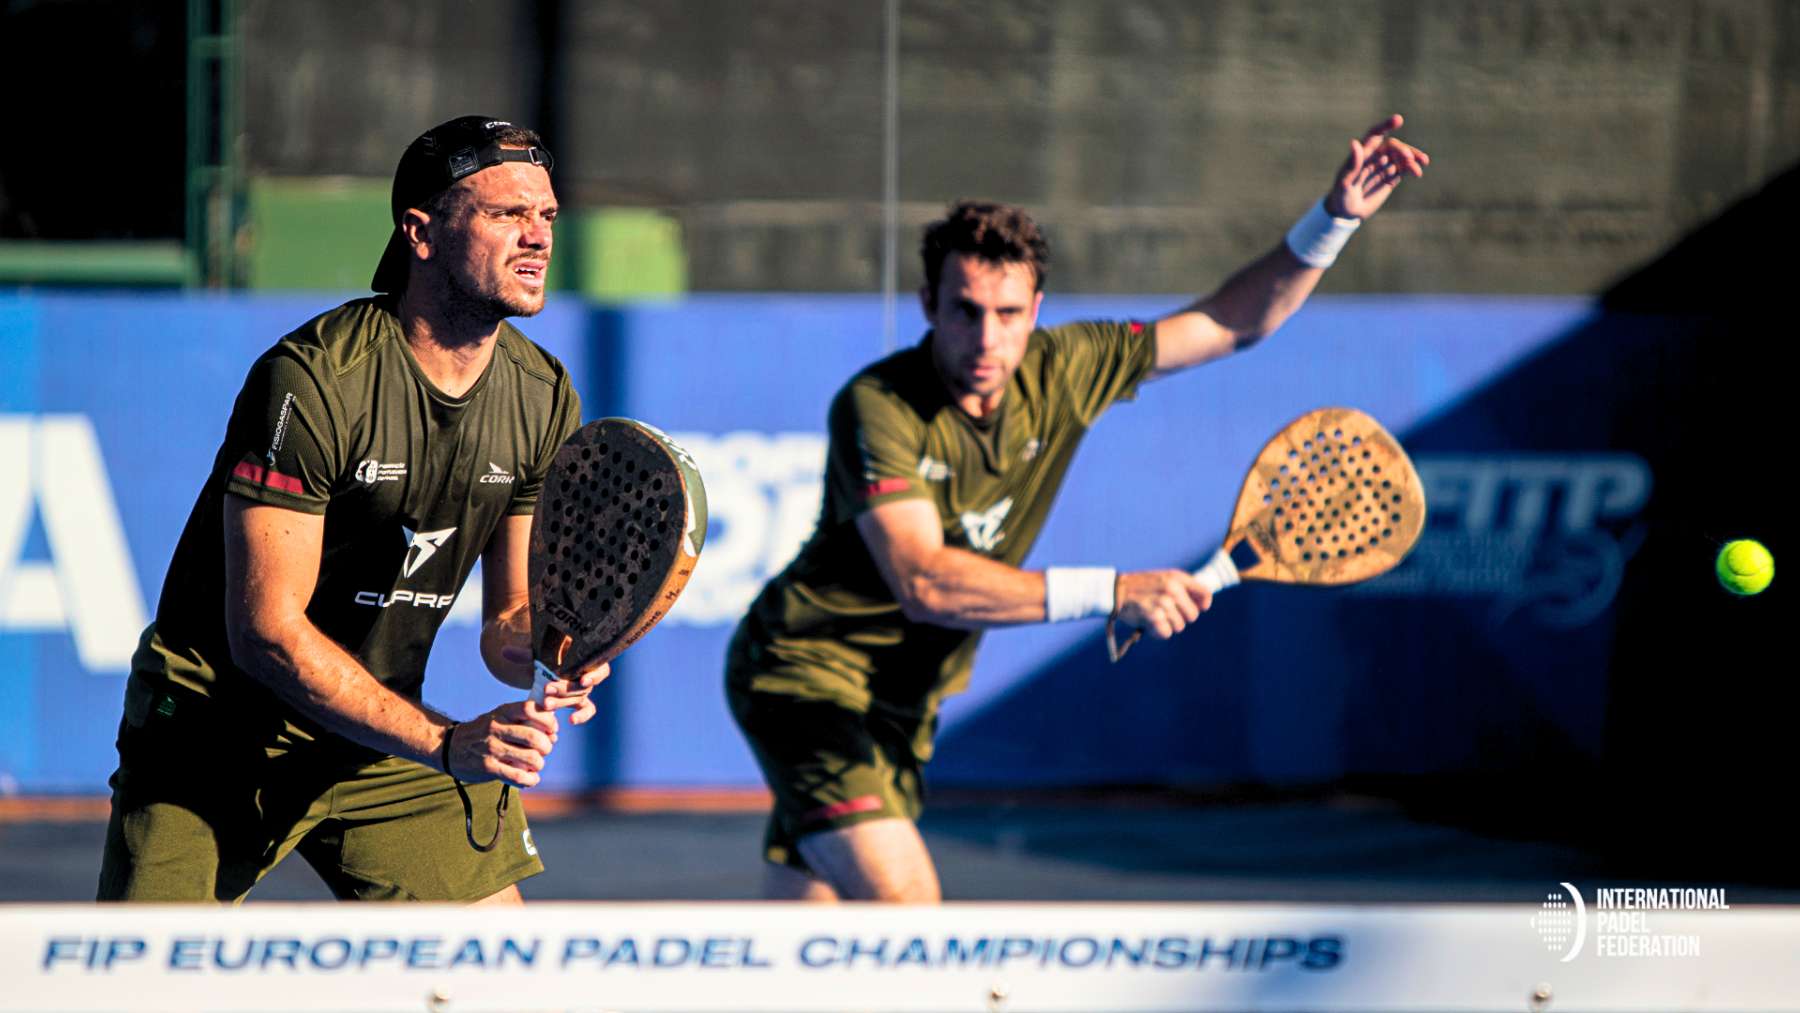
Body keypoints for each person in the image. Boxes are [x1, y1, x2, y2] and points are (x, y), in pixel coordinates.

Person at [726, 115, 1429, 902]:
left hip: (901, 703)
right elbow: (925, 580)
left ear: (1037, 308)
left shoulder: (1068, 368)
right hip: (805, 675)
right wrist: (1113, 589)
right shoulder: (878, 405)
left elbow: (1234, 320)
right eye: (964, 310)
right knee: (907, 916)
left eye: (1008, 314)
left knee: (808, 949)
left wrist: (1329, 222)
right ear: (929, 303)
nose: (986, 337)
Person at [98, 115, 604, 903]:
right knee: (136, 983)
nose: (536, 237)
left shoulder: (542, 395)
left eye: (545, 216)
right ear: (421, 232)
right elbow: (267, 632)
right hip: (216, 733)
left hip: (375, 736)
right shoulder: (314, 380)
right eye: (507, 214)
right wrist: (445, 741)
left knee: (506, 975)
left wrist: (552, 649)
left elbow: (507, 622)